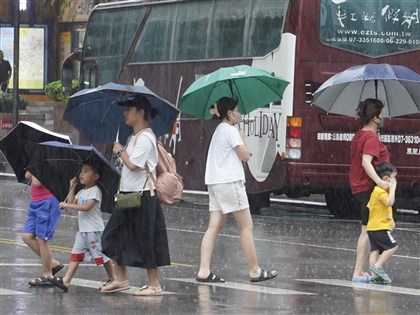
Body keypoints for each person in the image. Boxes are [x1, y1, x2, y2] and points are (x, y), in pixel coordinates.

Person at [196, 97, 277, 283]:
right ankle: (255, 270)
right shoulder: (230, 130)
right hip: (230, 182)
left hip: (215, 183)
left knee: (214, 226)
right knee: (246, 226)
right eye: (237, 110)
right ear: (230, 113)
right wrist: (241, 139)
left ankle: (203, 270)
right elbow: (246, 156)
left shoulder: (218, 131)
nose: (239, 113)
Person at [100, 94, 170, 296]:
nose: (124, 114)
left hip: (143, 196)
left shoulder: (146, 138)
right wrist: (121, 151)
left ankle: (154, 285)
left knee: (147, 239)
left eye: (128, 110)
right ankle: (121, 279)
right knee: (114, 236)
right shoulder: (133, 137)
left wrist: (120, 151)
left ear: (140, 112)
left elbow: (133, 165)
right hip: (127, 195)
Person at [47, 160, 115, 292]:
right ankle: (66, 281)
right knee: (75, 255)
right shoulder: (82, 191)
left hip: (94, 230)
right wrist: (71, 186)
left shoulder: (95, 191)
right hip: (83, 231)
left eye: (86, 171)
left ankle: (113, 277)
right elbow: (72, 201)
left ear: (95, 177)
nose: (81, 174)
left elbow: (86, 207)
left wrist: (67, 205)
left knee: (102, 256)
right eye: (81, 171)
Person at [349, 98, 390, 283]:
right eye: (381, 114)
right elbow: (367, 162)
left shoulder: (360, 135)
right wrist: (380, 182)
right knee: (368, 231)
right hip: (368, 188)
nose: (383, 117)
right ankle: (359, 272)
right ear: (375, 118)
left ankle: (373, 271)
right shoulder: (370, 137)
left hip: (360, 186)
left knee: (372, 230)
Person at [22, 171, 64, 286]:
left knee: (42, 238)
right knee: (27, 236)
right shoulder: (37, 160)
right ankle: (52, 263)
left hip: (47, 202)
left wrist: (35, 169)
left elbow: (36, 182)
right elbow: (26, 175)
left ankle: (47, 274)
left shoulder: (47, 161)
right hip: (36, 203)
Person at [366, 162, 398, 284]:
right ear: (386, 178)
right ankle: (378, 266)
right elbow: (389, 203)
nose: (395, 181)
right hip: (380, 227)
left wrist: (390, 220)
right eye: (394, 178)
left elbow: (371, 208)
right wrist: (393, 188)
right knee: (393, 246)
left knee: (375, 250)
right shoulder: (381, 192)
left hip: (372, 227)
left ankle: (374, 276)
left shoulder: (374, 192)